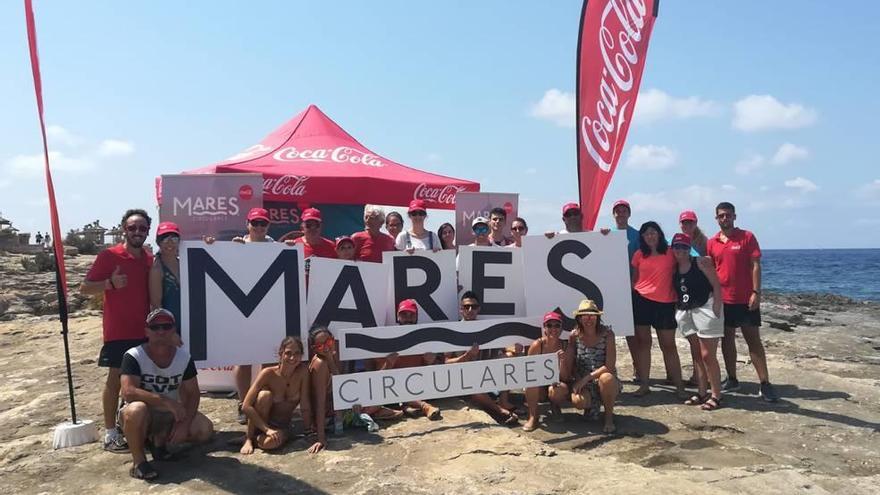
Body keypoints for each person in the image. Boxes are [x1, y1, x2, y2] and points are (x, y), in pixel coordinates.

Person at [81, 208, 154, 452]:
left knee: (139, 382)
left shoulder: (148, 257)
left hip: (145, 331)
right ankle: (110, 433)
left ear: (148, 231)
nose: (137, 232)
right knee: (115, 381)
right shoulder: (109, 256)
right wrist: (109, 283)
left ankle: (131, 426)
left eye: (142, 228)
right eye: (132, 227)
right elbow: (85, 289)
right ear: (124, 228)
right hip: (119, 331)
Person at [119, 309, 213, 480]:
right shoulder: (134, 356)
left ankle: (159, 444)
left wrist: (185, 423)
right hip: (143, 413)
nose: (161, 331)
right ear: (147, 331)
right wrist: (165, 401)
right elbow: (128, 392)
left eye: (166, 326)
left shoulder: (184, 357)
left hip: (169, 414)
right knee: (136, 410)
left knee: (204, 429)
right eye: (155, 327)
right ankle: (139, 462)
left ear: (173, 330)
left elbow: (193, 393)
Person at [707, 202, 779, 402]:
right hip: (724, 300)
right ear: (716, 218)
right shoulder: (712, 242)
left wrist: (756, 292)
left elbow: (755, 265)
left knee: (753, 341)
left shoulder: (747, 237)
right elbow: (712, 270)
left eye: (728, 215)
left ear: (734, 216)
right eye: (721, 216)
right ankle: (732, 378)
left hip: (746, 299)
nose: (725, 219)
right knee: (727, 339)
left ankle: (765, 383)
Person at [444, 292, 519, 426]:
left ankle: (503, 400)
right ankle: (499, 411)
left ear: (479, 309)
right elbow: (446, 362)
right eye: (466, 307)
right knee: (471, 384)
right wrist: (466, 357)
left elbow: (503, 351)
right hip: (464, 378)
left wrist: (513, 349)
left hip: (486, 374)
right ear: (461, 309)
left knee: (508, 357)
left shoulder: (487, 328)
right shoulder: (452, 331)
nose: (470, 310)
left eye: (474, 306)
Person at [672, 233, 724, 410]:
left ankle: (716, 395)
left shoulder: (700, 263)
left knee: (708, 355)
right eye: (677, 247)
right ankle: (702, 392)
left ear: (689, 249)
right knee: (697, 354)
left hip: (706, 308)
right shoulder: (674, 268)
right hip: (686, 311)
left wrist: (717, 305)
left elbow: (716, 284)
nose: (680, 251)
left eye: (684, 247)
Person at [240, 337, 318, 455]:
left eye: (297, 353)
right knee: (264, 395)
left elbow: (305, 405)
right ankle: (249, 438)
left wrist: (309, 432)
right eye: (288, 353)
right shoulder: (267, 373)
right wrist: (267, 429)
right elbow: (246, 406)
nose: (292, 358)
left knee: (271, 443)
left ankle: (271, 438)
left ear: (301, 356)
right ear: (280, 354)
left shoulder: (303, 372)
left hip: (282, 427)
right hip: (261, 425)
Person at [630, 221, 682, 397]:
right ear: (642, 237)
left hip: (666, 303)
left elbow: (690, 260)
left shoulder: (671, 252)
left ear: (659, 234)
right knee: (643, 344)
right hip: (641, 301)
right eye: (646, 233)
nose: (650, 236)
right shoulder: (638, 255)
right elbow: (635, 278)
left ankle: (679, 387)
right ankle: (644, 384)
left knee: (668, 345)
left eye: (653, 232)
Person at [377, 300, 441, 419]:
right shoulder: (387, 339)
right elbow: (377, 379)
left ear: (417, 317)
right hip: (394, 389)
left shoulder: (425, 338)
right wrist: (388, 364)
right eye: (404, 315)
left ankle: (406, 407)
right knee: (397, 385)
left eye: (412, 315)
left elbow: (437, 373)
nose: (408, 318)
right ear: (397, 317)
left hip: (420, 385)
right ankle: (424, 407)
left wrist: (431, 362)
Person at [565, 299, 620, 433]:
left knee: (606, 378)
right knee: (579, 402)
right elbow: (570, 362)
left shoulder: (608, 334)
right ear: (579, 318)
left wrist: (586, 379)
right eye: (585, 316)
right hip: (583, 379)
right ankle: (591, 407)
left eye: (592, 315)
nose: (589, 319)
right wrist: (578, 379)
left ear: (598, 317)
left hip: (602, 378)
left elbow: (610, 366)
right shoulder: (574, 335)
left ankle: (608, 418)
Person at [522, 311, 570, 432]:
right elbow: (528, 371)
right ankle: (533, 415)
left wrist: (562, 361)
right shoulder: (537, 345)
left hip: (556, 383)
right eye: (549, 325)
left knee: (560, 388)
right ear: (544, 328)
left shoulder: (566, 346)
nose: (553, 328)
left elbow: (566, 377)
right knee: (530, 382)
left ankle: (555, 407)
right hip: (539, 385)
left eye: (557, 325)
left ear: (561, 328)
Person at [149, 222, 181, 329]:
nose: (170, 243)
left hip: (190, 324)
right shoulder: (157, 269)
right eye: (165, 239)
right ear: (158, 242)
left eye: (174, 239)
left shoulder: (184, 264)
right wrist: (168, 332)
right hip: (170, 329)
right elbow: (156, 306)